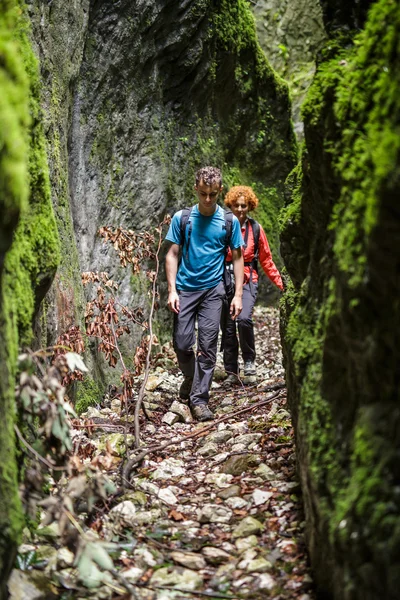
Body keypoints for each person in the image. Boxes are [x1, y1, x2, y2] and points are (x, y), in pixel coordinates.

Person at [165, 167, 244, 421]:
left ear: (219, 191)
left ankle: (199, 400)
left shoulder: (229, 221)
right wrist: (172, 290)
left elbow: (239, 257)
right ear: (195, 190)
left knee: (208, 347)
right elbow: (172, 254)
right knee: (182, 343)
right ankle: (190, 376)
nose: (208, 199)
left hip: (214, 290)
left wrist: (238, 295)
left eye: (212, 194)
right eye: (203, 194)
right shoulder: (183, 218)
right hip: (186, 289)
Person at [223, 185, 284, 384]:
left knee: (243, 319)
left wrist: (281, 283)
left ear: (250, 207)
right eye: (236, 205)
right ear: (230, 206)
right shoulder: (221, 226)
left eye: (244, 206)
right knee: (229, 325)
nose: (240, 209)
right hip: (224, 278)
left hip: (248, 279)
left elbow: (266, 259)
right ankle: (231, 371)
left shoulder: (255, 229)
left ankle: (249, 360)